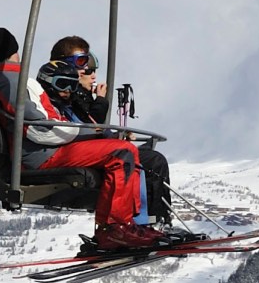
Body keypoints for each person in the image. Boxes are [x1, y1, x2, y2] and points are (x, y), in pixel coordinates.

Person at [0, 27, 174, 252]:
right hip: (41, 155)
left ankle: (120, 229)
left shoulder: (1, 81)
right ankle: (115, 229)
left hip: (43, 150)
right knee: (122, 152)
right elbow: (39, 128)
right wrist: (85, 132)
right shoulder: (13, 82)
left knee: (127, 151)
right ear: (14, 51)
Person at [37, 35, 172, 222]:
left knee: (153, 160)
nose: (90, 73)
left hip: (86, 147)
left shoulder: (73, 97)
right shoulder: (56, 93)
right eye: (83, 64)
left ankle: (156, 220)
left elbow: (91, 126)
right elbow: (85, 127)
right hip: (71, 151)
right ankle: (127, 223)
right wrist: (100, 102)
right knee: (136, 158)